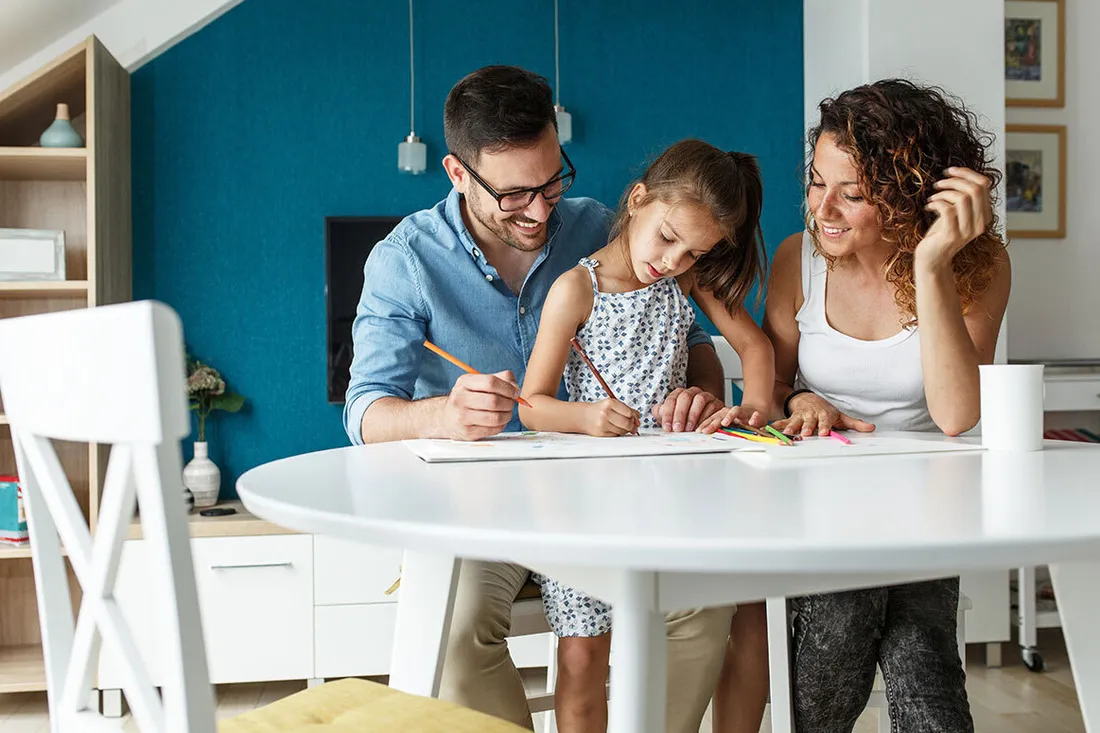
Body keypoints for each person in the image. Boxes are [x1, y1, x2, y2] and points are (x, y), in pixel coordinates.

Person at [342, 65, 735, 731]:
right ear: (458, 173)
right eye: (516, 192)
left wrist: (697, 391)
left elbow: (690, 332)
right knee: (456, 630)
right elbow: (366, 411)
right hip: (482, 505)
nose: (541, 207)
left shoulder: (601, 230)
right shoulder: (405, 258)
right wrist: (445, 412)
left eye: (554, 181)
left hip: (609, 498)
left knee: (706, 604)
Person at [716, 78, 1011, 733]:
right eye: (818, 182)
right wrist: (804, 396)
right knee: (835, 644)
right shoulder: (800, 260)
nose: (824, 208)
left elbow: (957, 413)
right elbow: (772, 388)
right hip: (822, 505)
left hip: (928, 512)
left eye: (852, 194)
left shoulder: (976, 264)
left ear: (910, 198)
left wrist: (932, 265)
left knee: (924, 678)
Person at [518, 139, 775, 732]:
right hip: (582, 508)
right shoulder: (576, 290)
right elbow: (533, 406)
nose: (675, 261)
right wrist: (586, 418)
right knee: (582, 655)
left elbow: (756, 347)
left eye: (694, 253)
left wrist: (754, 410)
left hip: (669, 504)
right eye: (667, 238)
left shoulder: (684, 284)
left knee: (678, 636)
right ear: (638, 200)